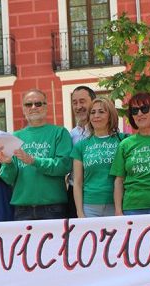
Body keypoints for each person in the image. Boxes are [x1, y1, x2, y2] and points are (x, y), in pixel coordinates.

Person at [0, 89, 73, 220]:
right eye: (28, 104)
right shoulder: (14, 136)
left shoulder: (59, 132)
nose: (33, 107)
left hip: (52, 208)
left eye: (38, 104)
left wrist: (33, 161)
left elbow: (64, 166)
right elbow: (8, 178)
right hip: (22, 208)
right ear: (23, 108)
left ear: (46, 106)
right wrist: (7, 163)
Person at [71, 97, 125, 218]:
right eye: (93, 112)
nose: (96, 115)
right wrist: (80, 213)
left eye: (101, 111)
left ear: (110, 115)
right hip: (90, 206)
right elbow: (78, 182)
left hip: (117, 205)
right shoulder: (81, 145)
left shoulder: (123, 140)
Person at [66, 86, 97, 218]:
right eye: (75, 102)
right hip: (74, 194)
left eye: (82, 101)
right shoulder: (69, 136)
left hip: (100, 193)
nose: (78, 106)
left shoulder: (108, 134)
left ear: (93, 102)